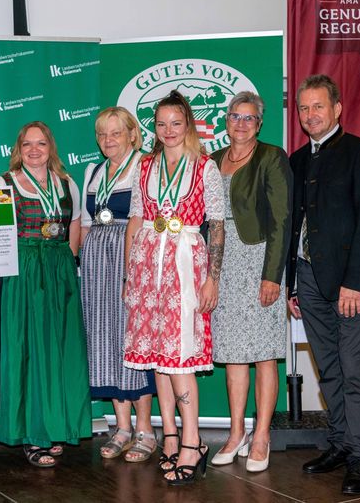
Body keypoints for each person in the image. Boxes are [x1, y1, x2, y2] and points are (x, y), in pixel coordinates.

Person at [286, 74, 360, 495]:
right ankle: (342, 443)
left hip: (350, 285)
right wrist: (292, 284)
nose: (310, 115)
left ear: (337, 108)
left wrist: (355, 282)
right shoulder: (296, 160)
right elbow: (293, 227)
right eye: (304, 108)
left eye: (318, 107)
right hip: (308, 281)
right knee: (329, 369)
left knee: (357, 373)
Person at [123, 90, 225, 485]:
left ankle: (193, 442)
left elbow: (216, 225)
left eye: (175, 123)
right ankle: (169, 436)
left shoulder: (205, 168)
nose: (168, 131)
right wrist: (130, 274)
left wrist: (212, 277)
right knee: (156, 357)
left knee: (178, 354)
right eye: (161, 124)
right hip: (149, 262)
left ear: (189, 125)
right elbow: (135, 219)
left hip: (185, 262)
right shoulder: (145, 166)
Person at [0, 121, 91, 468]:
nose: (33, 150)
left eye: (40, 144)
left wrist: (67, 259)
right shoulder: (4, 183)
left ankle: (56, 426)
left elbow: (75, 224)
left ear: (50, 147)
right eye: (27, 144)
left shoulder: (66, 183)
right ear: (18, 148)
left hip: (58, 272)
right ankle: (32, 434)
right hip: (22, 275)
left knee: (58, 351)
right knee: (27, 352)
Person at [209, 92, 292, 473]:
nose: (240, 124)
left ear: (259, 123)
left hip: (259, 260)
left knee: (262, 353)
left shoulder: (271, 157)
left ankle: (261, 435)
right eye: (234, 117)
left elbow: (281, 220)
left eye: (248, 118)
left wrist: (272, 276)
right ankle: (236, 431)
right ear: (225, 121)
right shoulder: (210, 161)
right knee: (232, 353)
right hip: (221, 266)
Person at [80, 107, 157, 462]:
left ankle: (145, 428)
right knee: (105, 340)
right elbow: (84, 224)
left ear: (132, 134)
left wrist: (136, 270)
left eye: (115, 133)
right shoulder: (93, 172)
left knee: (133, 339)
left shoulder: (147, 166)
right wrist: (82, 264)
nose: (108, 140)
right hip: (97, 264)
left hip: (131, 259)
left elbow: (150, 220)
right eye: (101, 134)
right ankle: (121, 425)